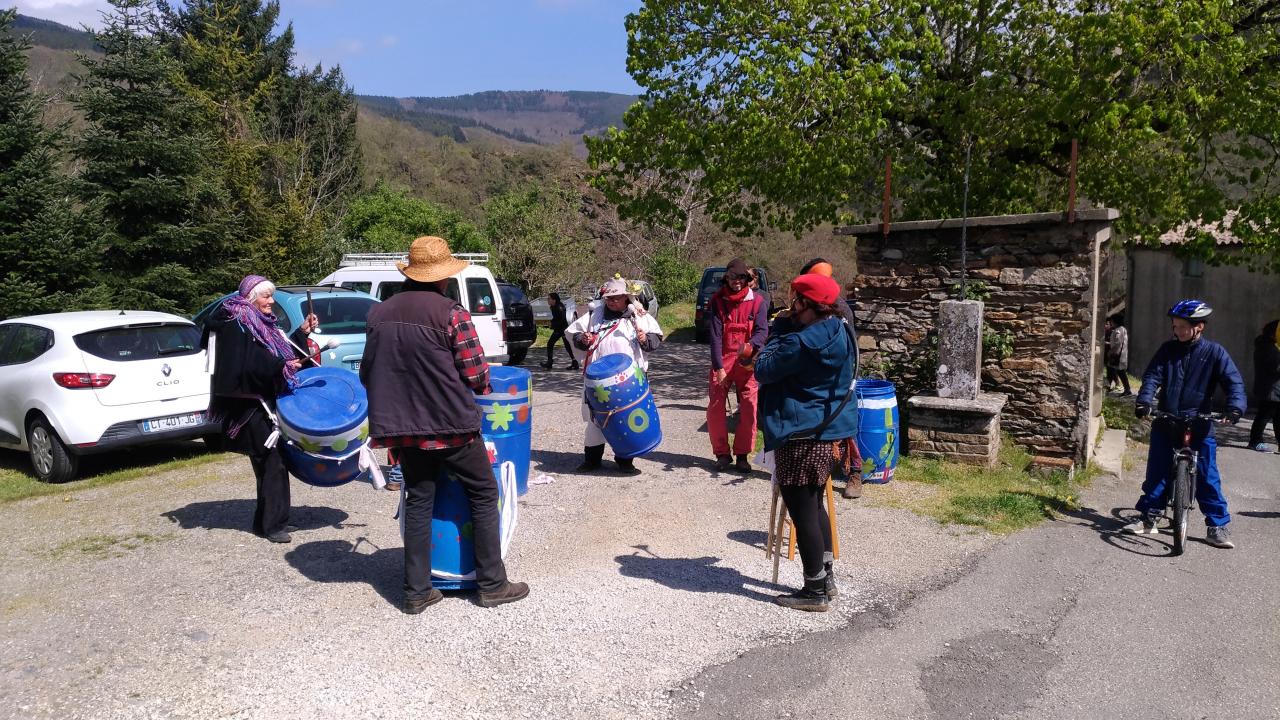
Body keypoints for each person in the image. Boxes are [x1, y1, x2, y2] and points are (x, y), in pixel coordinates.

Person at [360, 235, 529, 613]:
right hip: (451, 426)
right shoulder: (450, 313)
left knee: (420, 499)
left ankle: (417, 592)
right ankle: (492, 584)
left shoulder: (378, 314)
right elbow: (476, 374)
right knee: (484, 494)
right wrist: (483, 383)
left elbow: (367, 372)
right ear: (442, 277)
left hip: (403, 429)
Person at [755, 273, 858, 611]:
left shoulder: (799, 342)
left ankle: (814, 589)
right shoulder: (840, 329)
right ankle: (825, 576)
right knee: (814, 505)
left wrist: (779, 330)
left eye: (796, 301)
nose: (791, 306)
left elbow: (764, 368)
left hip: (800, 433)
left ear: (809, 305)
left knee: (803, 511)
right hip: (826, 432)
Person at [202, 274, 316, 543]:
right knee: (271, 462)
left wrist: (301, 333)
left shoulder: (256, 322)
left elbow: (277, 350)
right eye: (267, 296)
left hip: (261, 401)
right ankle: (272, 525)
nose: (272, 301)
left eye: (271, 296)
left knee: (271, 462)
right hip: (249, 405)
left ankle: (268, 521)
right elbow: (248, 364)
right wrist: (281, 367)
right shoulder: (237, 323)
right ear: (252, 298)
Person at [1125, 300, 1246, 549]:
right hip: (1167, 419)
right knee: (1157, 471)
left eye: (1182, 327)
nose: (1177, 331)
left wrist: (1235, 408)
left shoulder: (1214, 353)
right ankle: (1150, 517)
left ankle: (1216, 527)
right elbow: (1152, 377)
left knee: (1207, 475)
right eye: (1175, 326)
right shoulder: (1167, 350)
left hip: (1199, 422)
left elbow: (1233, 382)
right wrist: (1144, 401)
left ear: (1199, 326)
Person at [566, 277, 664, 474]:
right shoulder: (594, 315)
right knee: (596, 421)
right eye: (609, 298)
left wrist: (645, 339)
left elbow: (655, 339)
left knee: (625, 419)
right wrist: (583, 340)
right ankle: (592, 460)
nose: (612, 302)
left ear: (626, 298)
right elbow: (574, 335)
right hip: (599, 382)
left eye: (616, 298)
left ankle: (625, 461)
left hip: (626, 381)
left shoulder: (638, 316)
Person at [707, 258, 769, 472]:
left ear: (747, 279)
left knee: (750, 408)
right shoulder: (717, 301)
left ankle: (742, 455)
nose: (737, 282)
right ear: (727, 277)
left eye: (741, 278)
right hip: (723, 357)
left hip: (747, 361)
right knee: (716, 407)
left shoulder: (758, 302)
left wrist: (751, 345)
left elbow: (762, 331)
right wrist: (719, 368)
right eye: (733, 277)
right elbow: (715, 337)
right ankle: (722, 454)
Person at [1249, 319, 1280, 452]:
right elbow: (1275, 367)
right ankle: (1255, 441)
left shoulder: (1270, 346)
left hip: (1274, 389)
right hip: (1270, 390)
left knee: (1276, 418)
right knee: (1264, 415)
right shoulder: (1268, 347)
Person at [540, 292, 578, 370]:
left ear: (554, 300)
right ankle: (550, 362)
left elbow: (562, 320)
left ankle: (550, 363)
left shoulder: (559, 307)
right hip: (559, 329)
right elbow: (556, 318)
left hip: (562, 329)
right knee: (554, 344)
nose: (548, 300)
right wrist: (552, 322)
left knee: (561, 345)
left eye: (549, 299)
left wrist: (554, 325)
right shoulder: (553, 307)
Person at [1104, 315, 1132, 396]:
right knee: (1118, 372)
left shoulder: (1119, 330)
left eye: (1112, 321)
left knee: (1114, 371)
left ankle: (1109, 387)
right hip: (1118, 355)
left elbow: (1118, 344)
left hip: (1117, 355)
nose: (1111, 322)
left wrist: (1111, 352)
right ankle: (1126, 389)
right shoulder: (1120, 330)